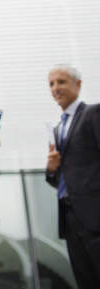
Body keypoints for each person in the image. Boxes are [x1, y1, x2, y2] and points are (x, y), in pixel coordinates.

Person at [45, 65, 100, 289]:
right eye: (51, 84)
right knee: (85, 280)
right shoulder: (58, 129)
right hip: (70, 217)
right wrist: (51, 169)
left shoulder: (93, 114)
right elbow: (58, 179)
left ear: (77, 84)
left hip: (95, 214)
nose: (55, 88)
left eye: (61, 82)